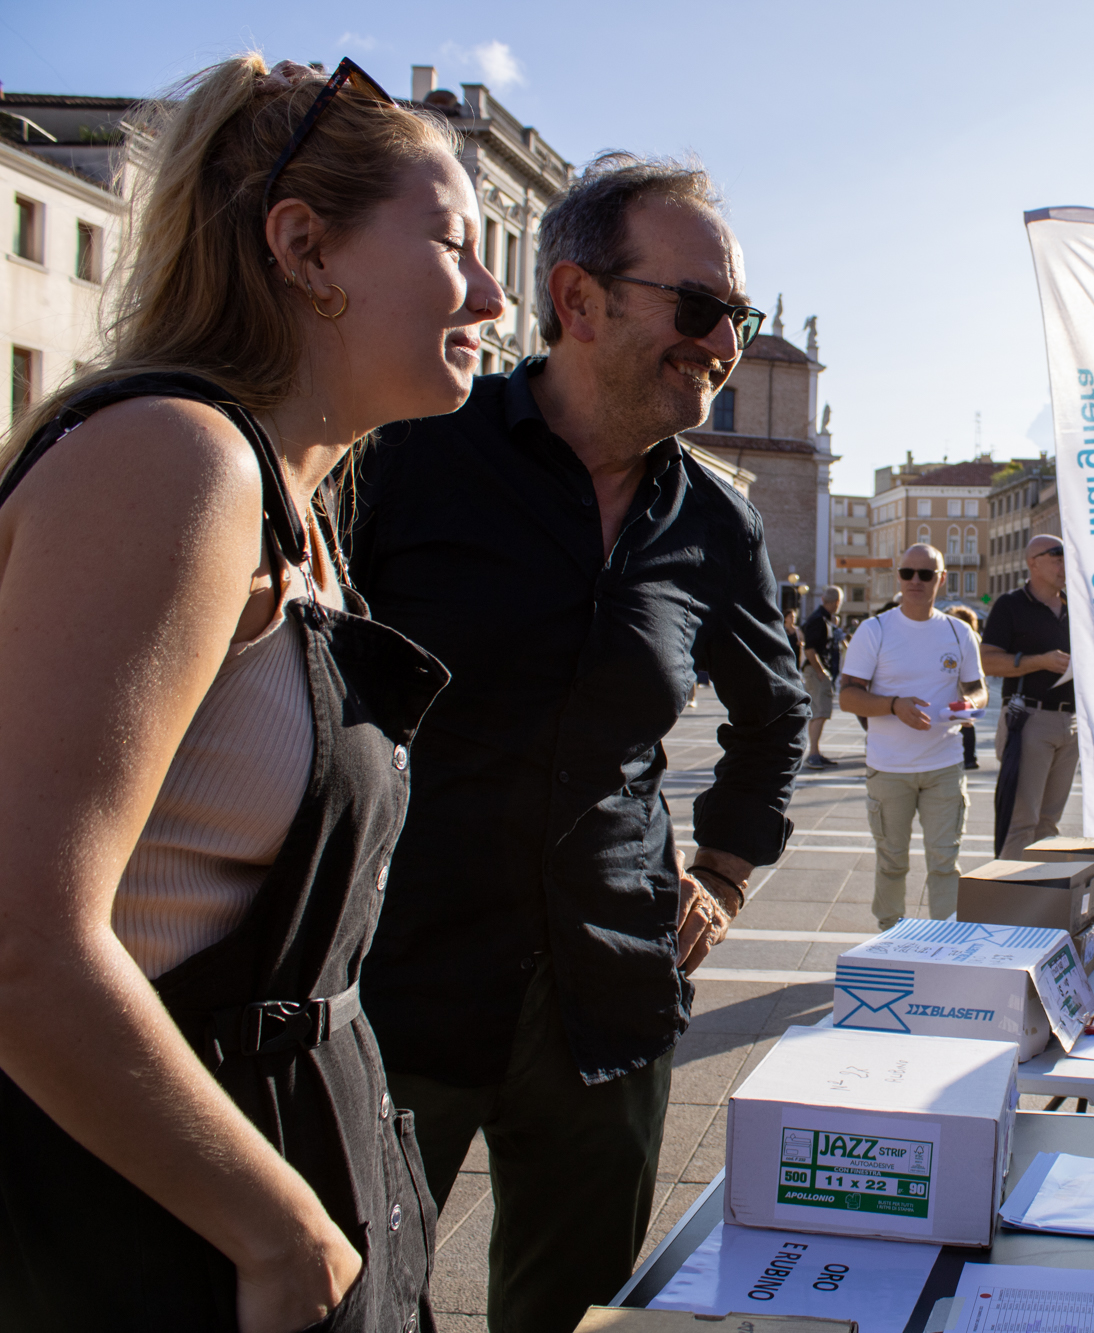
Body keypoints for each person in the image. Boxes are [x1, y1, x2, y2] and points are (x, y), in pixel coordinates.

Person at [0, 55, 500, 1332]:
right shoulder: (173, 461)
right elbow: (20, 940)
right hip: (157, 1239)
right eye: (453, 244)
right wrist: (281, 1241)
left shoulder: (293, 502)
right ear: (304, 246)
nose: (493, 294)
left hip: (282, 1196)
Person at [348, 152, 806, 1333]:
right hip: (401, 979)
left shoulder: (715, 518)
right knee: (351, 1300)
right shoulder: (411, 453)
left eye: (739, 319)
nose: (725, 344)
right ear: (578, 299)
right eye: (700, 309)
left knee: (571, 1311)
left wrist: (723, 871)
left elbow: (774, 712)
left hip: (607, 993)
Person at [841, 545, 987, 930]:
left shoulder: (959, 631)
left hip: (944, 763)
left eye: (926, 574)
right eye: (908, 573)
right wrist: (893, 706)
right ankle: (890, 934)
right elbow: (848, 695)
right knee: (891, 858)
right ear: (898, 577)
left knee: (945, 859)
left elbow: (978, 687)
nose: (916, 581)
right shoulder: (875, 630)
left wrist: (968, 704)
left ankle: (946, 938)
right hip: (889, 767)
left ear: (942, 578)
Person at [980, 534, 1078, 856]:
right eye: (1056, 555)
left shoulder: (1077, 605)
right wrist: (1040, 661)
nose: (1064, 563)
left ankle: (1039, 897)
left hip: (1071, 722)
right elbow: (987, 660)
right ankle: (1010, 897)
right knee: (1021, 821)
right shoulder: (1011, 605)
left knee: (1049, 823)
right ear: (1032, 562)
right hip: (1031, 720)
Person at [800, 585, 846, 768]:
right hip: (815, 670)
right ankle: (813, 754)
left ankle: (815, 752)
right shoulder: (818, 620)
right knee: (820, 712)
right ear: (836, 602)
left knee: (819, 712)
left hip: (816, 670)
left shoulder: (823, 619)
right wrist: (821, 671)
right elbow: (809, 649)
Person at [942, 604, 986, 769]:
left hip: (965, 681)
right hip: (958, 681)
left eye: (956, 619)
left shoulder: (969, 636)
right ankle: (968, 756)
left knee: (965, 720)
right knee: (962, 719)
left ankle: (969, 756)